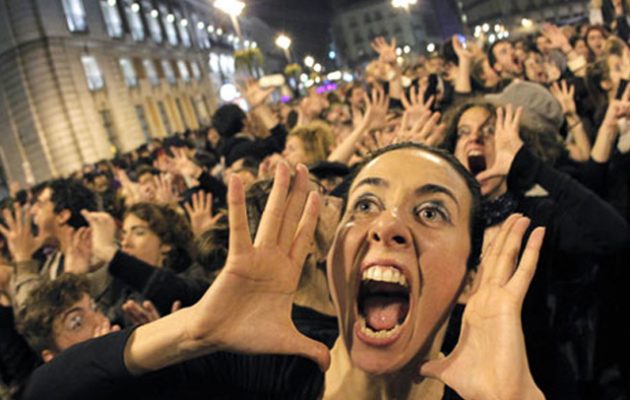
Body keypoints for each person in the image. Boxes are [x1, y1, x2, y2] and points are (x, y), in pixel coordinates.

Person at [22, 150, 546, 399]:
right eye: (365, 205)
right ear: (334, 255)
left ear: (471, 279)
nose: (387, 225)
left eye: (430, 211)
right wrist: (193, 330)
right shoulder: (252, 375)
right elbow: (44, 394)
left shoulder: (493, 393)